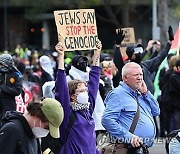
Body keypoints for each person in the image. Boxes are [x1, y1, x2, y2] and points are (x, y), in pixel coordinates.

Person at [55, 39, 102, 154]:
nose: (86, 93)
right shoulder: (67, 113)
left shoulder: (88, 109)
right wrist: (61, 57)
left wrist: (97, 54)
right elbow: (61, 88)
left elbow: (94, 83)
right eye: (81, 91)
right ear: (72, 96)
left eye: (85, 90)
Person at [102, 62, 160, 153]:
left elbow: (156, 111)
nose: (140, 78)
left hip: (142, 149)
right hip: (126, 148)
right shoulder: (117, 94)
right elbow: (107, 120)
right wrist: (128, 137)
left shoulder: (140, 93)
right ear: (125, 78)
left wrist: (146, 93)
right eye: (136, 75)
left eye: (141, 74)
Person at [113, 26, 173, 94]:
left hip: (148, 99)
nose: (140, 52)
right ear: (132, 56)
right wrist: (117, 46)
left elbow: (160, 57)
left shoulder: (146, 65)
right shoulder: (126, 68)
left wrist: (169, 42)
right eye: (137, 51)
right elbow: (117, 60)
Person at [0, 53, 23, 118]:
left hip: (9, 107)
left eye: (1, 64)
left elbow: (17, 90)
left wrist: (3, 88)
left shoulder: (15, 75)